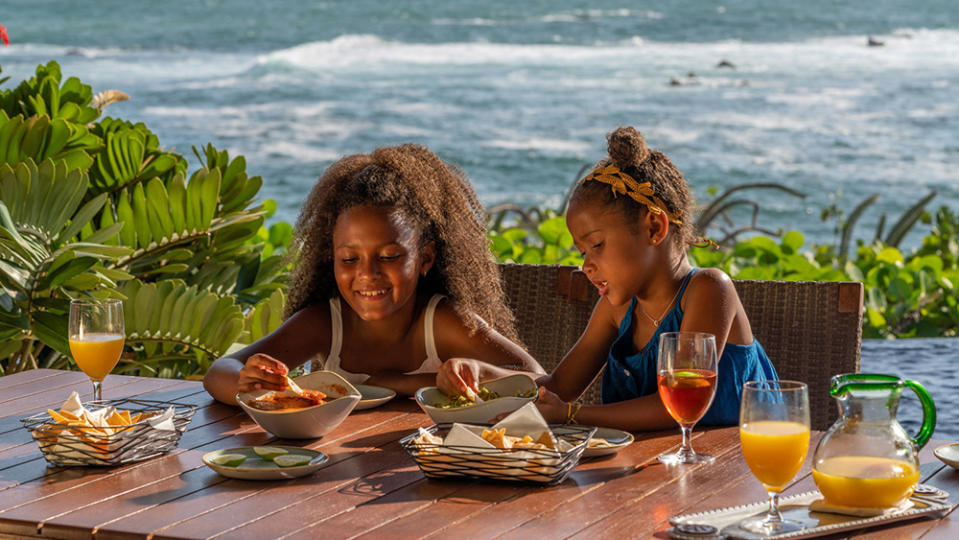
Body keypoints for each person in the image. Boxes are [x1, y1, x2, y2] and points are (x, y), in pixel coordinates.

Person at [438, 127, 777, 431]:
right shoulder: (616, 309)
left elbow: (673, 407)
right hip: (654, 475)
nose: (587, 265)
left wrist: (572, 415)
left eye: (597, 245)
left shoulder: (707, 289)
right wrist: (485, 376)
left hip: (742, 472)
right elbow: (558, 386)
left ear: (654, 227)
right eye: (582, 252)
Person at [204, 144, 543, 405]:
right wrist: (250, 382)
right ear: (331, 259)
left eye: (389, 256)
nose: (368, 273)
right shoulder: (326, 323)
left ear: (425, 258)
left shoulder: (441, 322)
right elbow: (219, 372)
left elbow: (537, 379)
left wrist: (468, 374)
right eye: (349, 259)